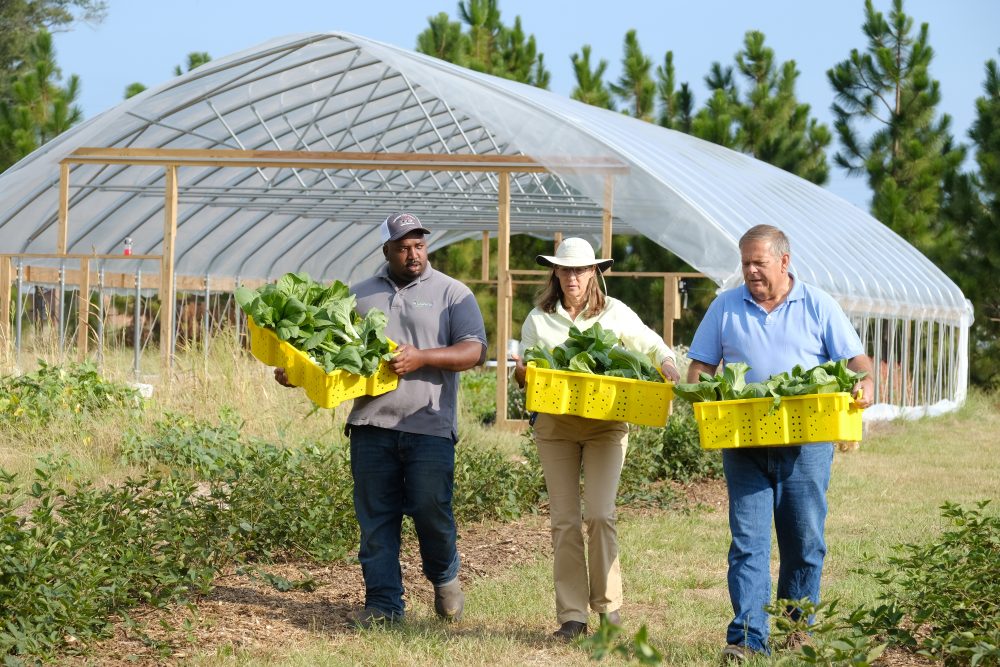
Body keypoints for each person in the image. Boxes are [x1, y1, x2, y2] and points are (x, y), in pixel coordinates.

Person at [275, 211, 487, 628]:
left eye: (419, 245)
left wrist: (422, 356)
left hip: (429, 426)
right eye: (404, 247)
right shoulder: (358, 296)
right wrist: (297, 373)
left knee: (432, 510)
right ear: (386, 250)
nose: (413, 254)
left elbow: (473, 351)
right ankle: (384, 606)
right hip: (371, 425)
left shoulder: (452, 293)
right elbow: (331, 355)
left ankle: (444, 574)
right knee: (376, 519)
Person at [686, 224, 874, 661]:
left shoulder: (818, 304)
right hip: (743, 439)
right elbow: (700, 368)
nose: (750, 271)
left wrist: (864, 383)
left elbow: (855, 359)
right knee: (748, 542)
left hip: (807, 442)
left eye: (759, 263)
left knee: (804, 541)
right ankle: (748, 641)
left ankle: (796, 629)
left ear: (784, 262)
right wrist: (704, 391)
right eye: (745, 263)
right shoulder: (726, 307)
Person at [512, 237, 680, 641]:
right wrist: (522, 371)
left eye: (580, 270)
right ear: (556, 272)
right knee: (565, 521)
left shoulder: (615, 313)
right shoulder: (538, 319)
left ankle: (608, 607)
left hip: (607, 424)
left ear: (594, 273)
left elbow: (652, 345)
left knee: (601, 515)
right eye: (566, 269)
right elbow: (526, 375)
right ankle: (572, 616)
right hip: (555, 427)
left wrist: (669, 364)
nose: (573, 277)